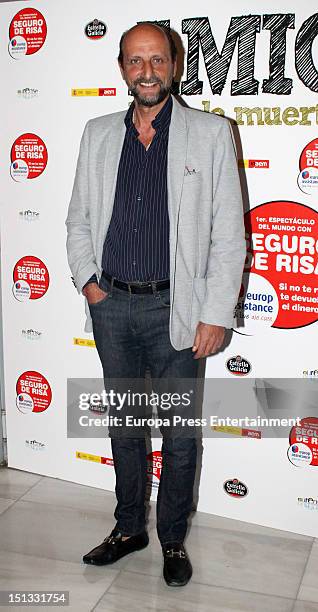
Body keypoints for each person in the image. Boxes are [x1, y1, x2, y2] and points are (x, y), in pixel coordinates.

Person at [66, 22, 246, 587]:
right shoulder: (97, 132)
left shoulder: (210, 134)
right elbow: (78, 220)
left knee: (179, 431)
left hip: (180, 310)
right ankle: (128, 528)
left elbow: (228, 234)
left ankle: (171, 538)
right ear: (122, 68)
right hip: (112, 305)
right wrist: (89, 284)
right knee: (125, 426)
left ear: (175, 64)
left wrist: (216, 312)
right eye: (135, 61)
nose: (147, 71)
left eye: (157, 60)